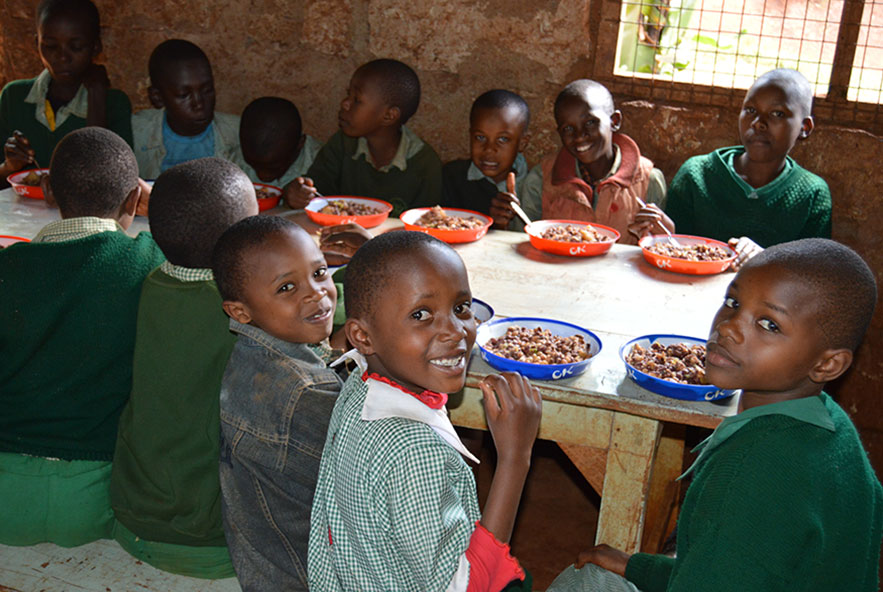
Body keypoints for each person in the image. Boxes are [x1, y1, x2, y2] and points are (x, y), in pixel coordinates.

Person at [551, 238, 882, 592]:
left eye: (769, 324)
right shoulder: (833, 425)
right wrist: (639, 568)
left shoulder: (750, 468)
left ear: (827, 363)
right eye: (733, 302)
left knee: (583, 582)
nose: (728, 327)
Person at [308, 230, 541, 591]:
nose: (456, 331)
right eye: (421, 314)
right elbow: (465, 587)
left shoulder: (359, 384)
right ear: (363, 337)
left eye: (461, 307)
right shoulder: (416, 454)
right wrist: (514, 458)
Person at [0, 127, 163, 547]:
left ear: (48, 191)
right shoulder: (149, 262)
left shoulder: (8, 267)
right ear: (133, 200)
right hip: (100, 500)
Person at [109, 157, 258, 578]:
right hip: (213, 541)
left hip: (130, 519)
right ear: (240, 243)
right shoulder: (246, 311)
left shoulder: (148, 284)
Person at [211, 215, 345, 591]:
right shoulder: (302, 392)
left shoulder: (257, 353)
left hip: (270, 564)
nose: (316, 293)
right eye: (287, 287)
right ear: (240, 312)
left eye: (320, 272)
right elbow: (375, 473)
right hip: (309, 577)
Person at [665, 69, 831, 268]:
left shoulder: (812, 194)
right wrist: (666, 234)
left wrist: (765, 262)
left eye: (777, 114)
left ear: (805, 128)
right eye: (751, 110)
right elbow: (672, 251)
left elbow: (814, 274)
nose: (758, 123)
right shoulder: (696, 175)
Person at [520, 79, 672, 244]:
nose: (579, 136)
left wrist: (665, 231)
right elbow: (524, 241)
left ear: (614, 121)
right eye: (568, 129)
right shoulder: (542, 179)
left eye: (591, 122)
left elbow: (656, 249)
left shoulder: (648, 181)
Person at [0, 0, 133, 186]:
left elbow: (113, 183)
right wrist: (10, 166)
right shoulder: (13, 97)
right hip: (18, 214)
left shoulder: (114, 103)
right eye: (50, 46)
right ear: (36, 43)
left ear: (96, 47)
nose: (62, 57)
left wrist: (96, 97)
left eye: (76, 47)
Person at [289, 59, 442, 215]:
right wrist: (299, 193)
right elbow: (316, 192)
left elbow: (426, 225)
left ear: (389, 116)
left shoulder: (424, 165)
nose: (344, 103)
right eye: (348, 94)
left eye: (357, 100)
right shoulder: (343, 144)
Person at [131, 39, 239, 179]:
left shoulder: (237, 135)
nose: (199, 104)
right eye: (184, 95)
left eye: (207, 90)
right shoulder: (136, 135)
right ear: (157, 97)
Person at [442, 89, 532, 230]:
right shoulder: (452, 177)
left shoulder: (533, 186)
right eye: (480, 137)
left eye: (503, 139)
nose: (489, 149)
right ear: (470, 135)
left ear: (522, 143)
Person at [233, 96, 322, 207]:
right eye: (253, 164)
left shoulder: (323, 163)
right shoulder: (232, 157)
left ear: (300, 144)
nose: (262, 176)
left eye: (273, 167)